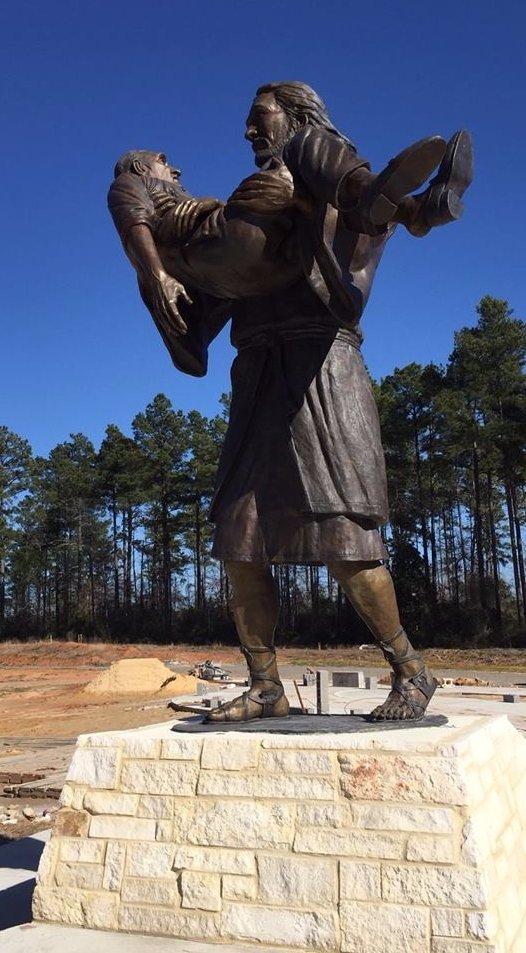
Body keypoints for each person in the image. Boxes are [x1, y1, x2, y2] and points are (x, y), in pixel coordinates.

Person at [110, 82, 473, 722]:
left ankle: (412, 674)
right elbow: (195, 338)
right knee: (239, 537)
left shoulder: (309, 159)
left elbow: (337, 205)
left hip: (319, 363)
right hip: (258, 373)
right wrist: (160, 282)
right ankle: (265, 684)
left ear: (295, 113)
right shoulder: (249, 226)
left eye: (260, 119)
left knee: (346, 535)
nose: (250, 132)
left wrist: (355, 205)